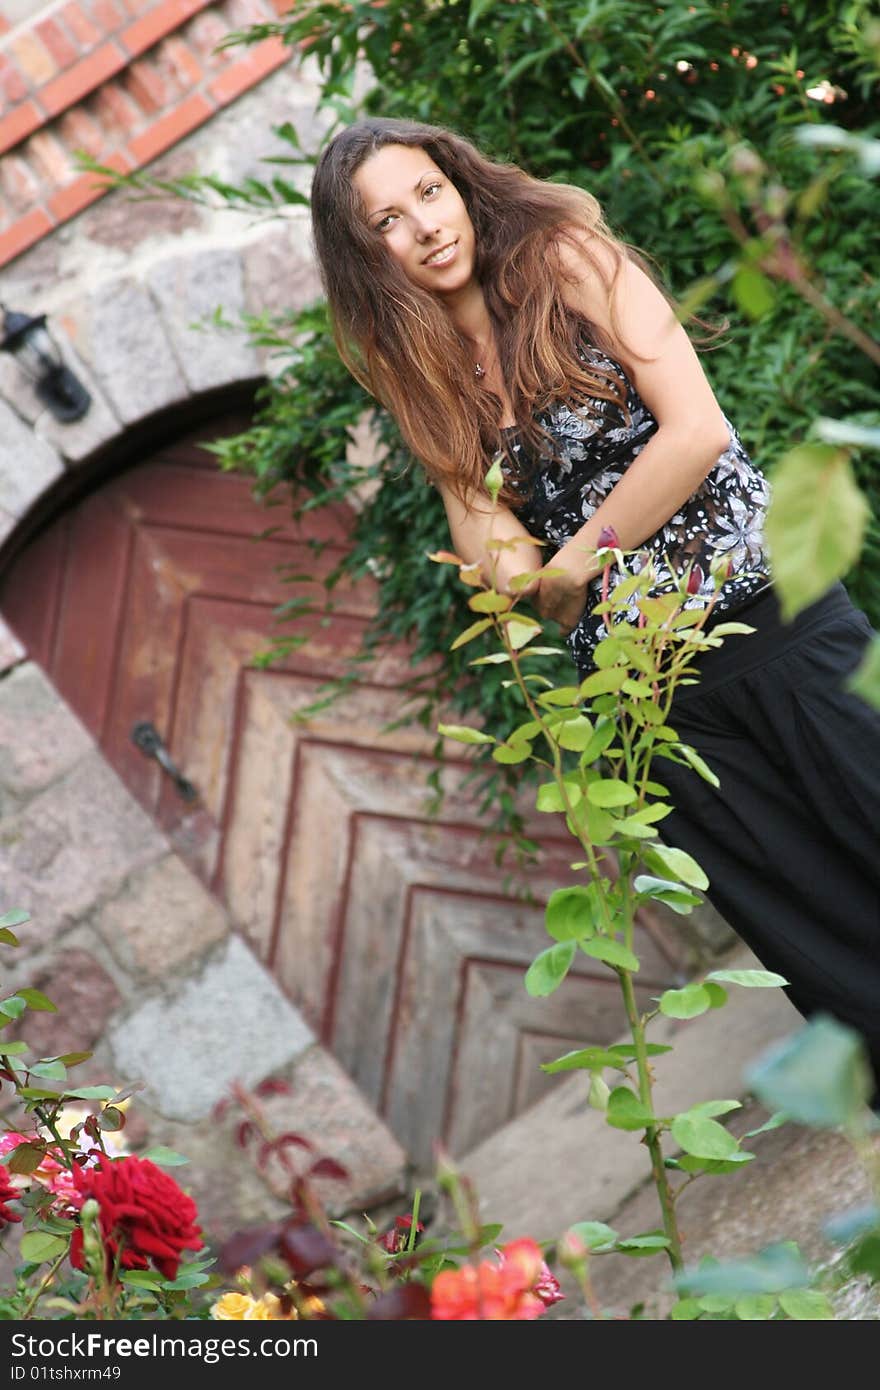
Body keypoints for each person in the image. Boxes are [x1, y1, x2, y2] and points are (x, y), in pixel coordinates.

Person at [309, 116, 880, 1097]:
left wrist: (572, 563)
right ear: (367, 258)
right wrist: (511, 554)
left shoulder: (563, 256)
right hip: (661, 711)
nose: (425, 228)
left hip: (775, 625)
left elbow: (695, 432)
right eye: (388, 224)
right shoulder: (428, 370)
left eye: (428, 195)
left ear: (462, 183)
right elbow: (498, 564)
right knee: (828, 956)